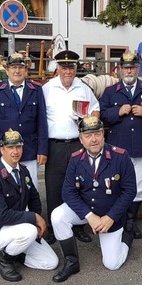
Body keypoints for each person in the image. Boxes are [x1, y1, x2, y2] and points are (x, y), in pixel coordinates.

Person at [50, 116, 136, 282]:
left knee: (112, 264)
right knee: (57, 216)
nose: (93, 139)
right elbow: (68, 192)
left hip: (110, 214)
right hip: (87, 211)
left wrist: (111, 218)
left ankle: (127, 236)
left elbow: (129, 191)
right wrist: (89, 216)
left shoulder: (120, 156)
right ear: (81, 139)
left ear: (104, 135)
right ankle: (71, 261)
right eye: (88, 136)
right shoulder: (75, 159)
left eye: (97, 134)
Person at [0, 130, 58, 282]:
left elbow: (34, 198)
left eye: (18, 147)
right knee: (28, 231)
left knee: (50, 263)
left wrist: (35, 217)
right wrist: (33, 219)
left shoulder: (22, 170)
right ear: (2, 149)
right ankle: (3, 261)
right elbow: (2, 216)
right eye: (10, 148)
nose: (15, 151)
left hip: (18, 227)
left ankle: (12, 251)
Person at [42, 50, 100, 245]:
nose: (68, 71)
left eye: (71, 67)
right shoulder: (47, 88)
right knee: (54, 187)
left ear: (76, 69)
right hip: (55, 145)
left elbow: (96, 108)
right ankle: (52, 227)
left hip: (77, 144)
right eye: (64, 67)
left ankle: (78, 226)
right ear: (57, 68)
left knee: (79, 185)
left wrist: (90, 123)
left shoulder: (83, 88)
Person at [100, 52, 142, 239]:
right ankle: (119, 219)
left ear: (137, 69)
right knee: (117, 185)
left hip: (141, 146)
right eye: (126, 67)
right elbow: (101, 114)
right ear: (120, 70)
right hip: (118, 147)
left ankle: (130, 223)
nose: (129, 70)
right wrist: (118, 111)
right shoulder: (111, 91)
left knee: (138, 186)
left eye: (132, 67)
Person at [0, 53, 48, 189]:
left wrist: (42, 150)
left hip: (29, 149)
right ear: (7, 70)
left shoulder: (36, 90)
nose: (17, 71)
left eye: (20, 67)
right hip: (4, 150)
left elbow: (42, 122)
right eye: (13, 67)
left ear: (25, 70)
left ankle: (31, 211)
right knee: (6, 188)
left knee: (31, 188)